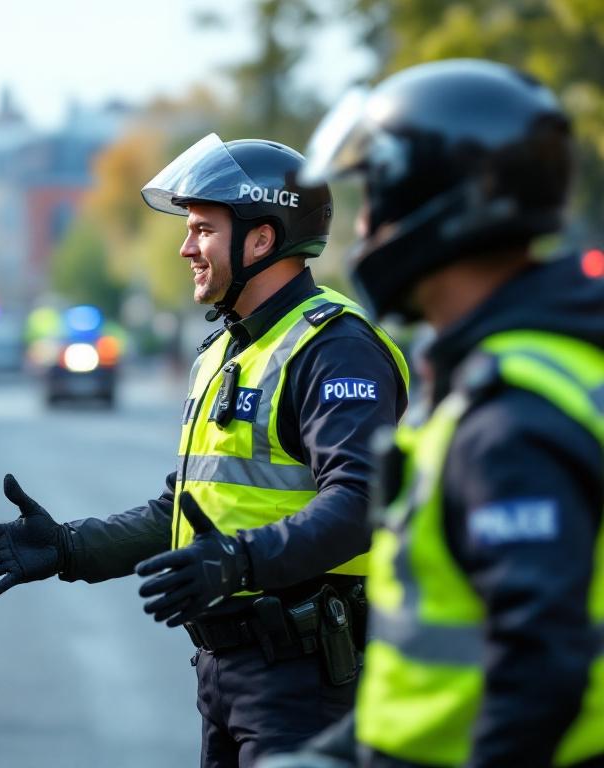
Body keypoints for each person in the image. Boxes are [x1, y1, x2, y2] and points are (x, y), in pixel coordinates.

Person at [0, 136, 410, 767]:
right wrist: (68, 547)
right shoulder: (225, 351)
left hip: (306, 679)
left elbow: (360, 502)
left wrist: (239, 562)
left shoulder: (335, 349)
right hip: (225, 672)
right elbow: (186, 508)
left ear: (261, 238)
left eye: (201, 229)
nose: (185, 247)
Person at [287, 58, 604, 768]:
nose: (363, 225)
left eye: (371, 197)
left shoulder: (509, 418)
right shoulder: (525, 362)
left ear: (425, 202)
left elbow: (538, 677)